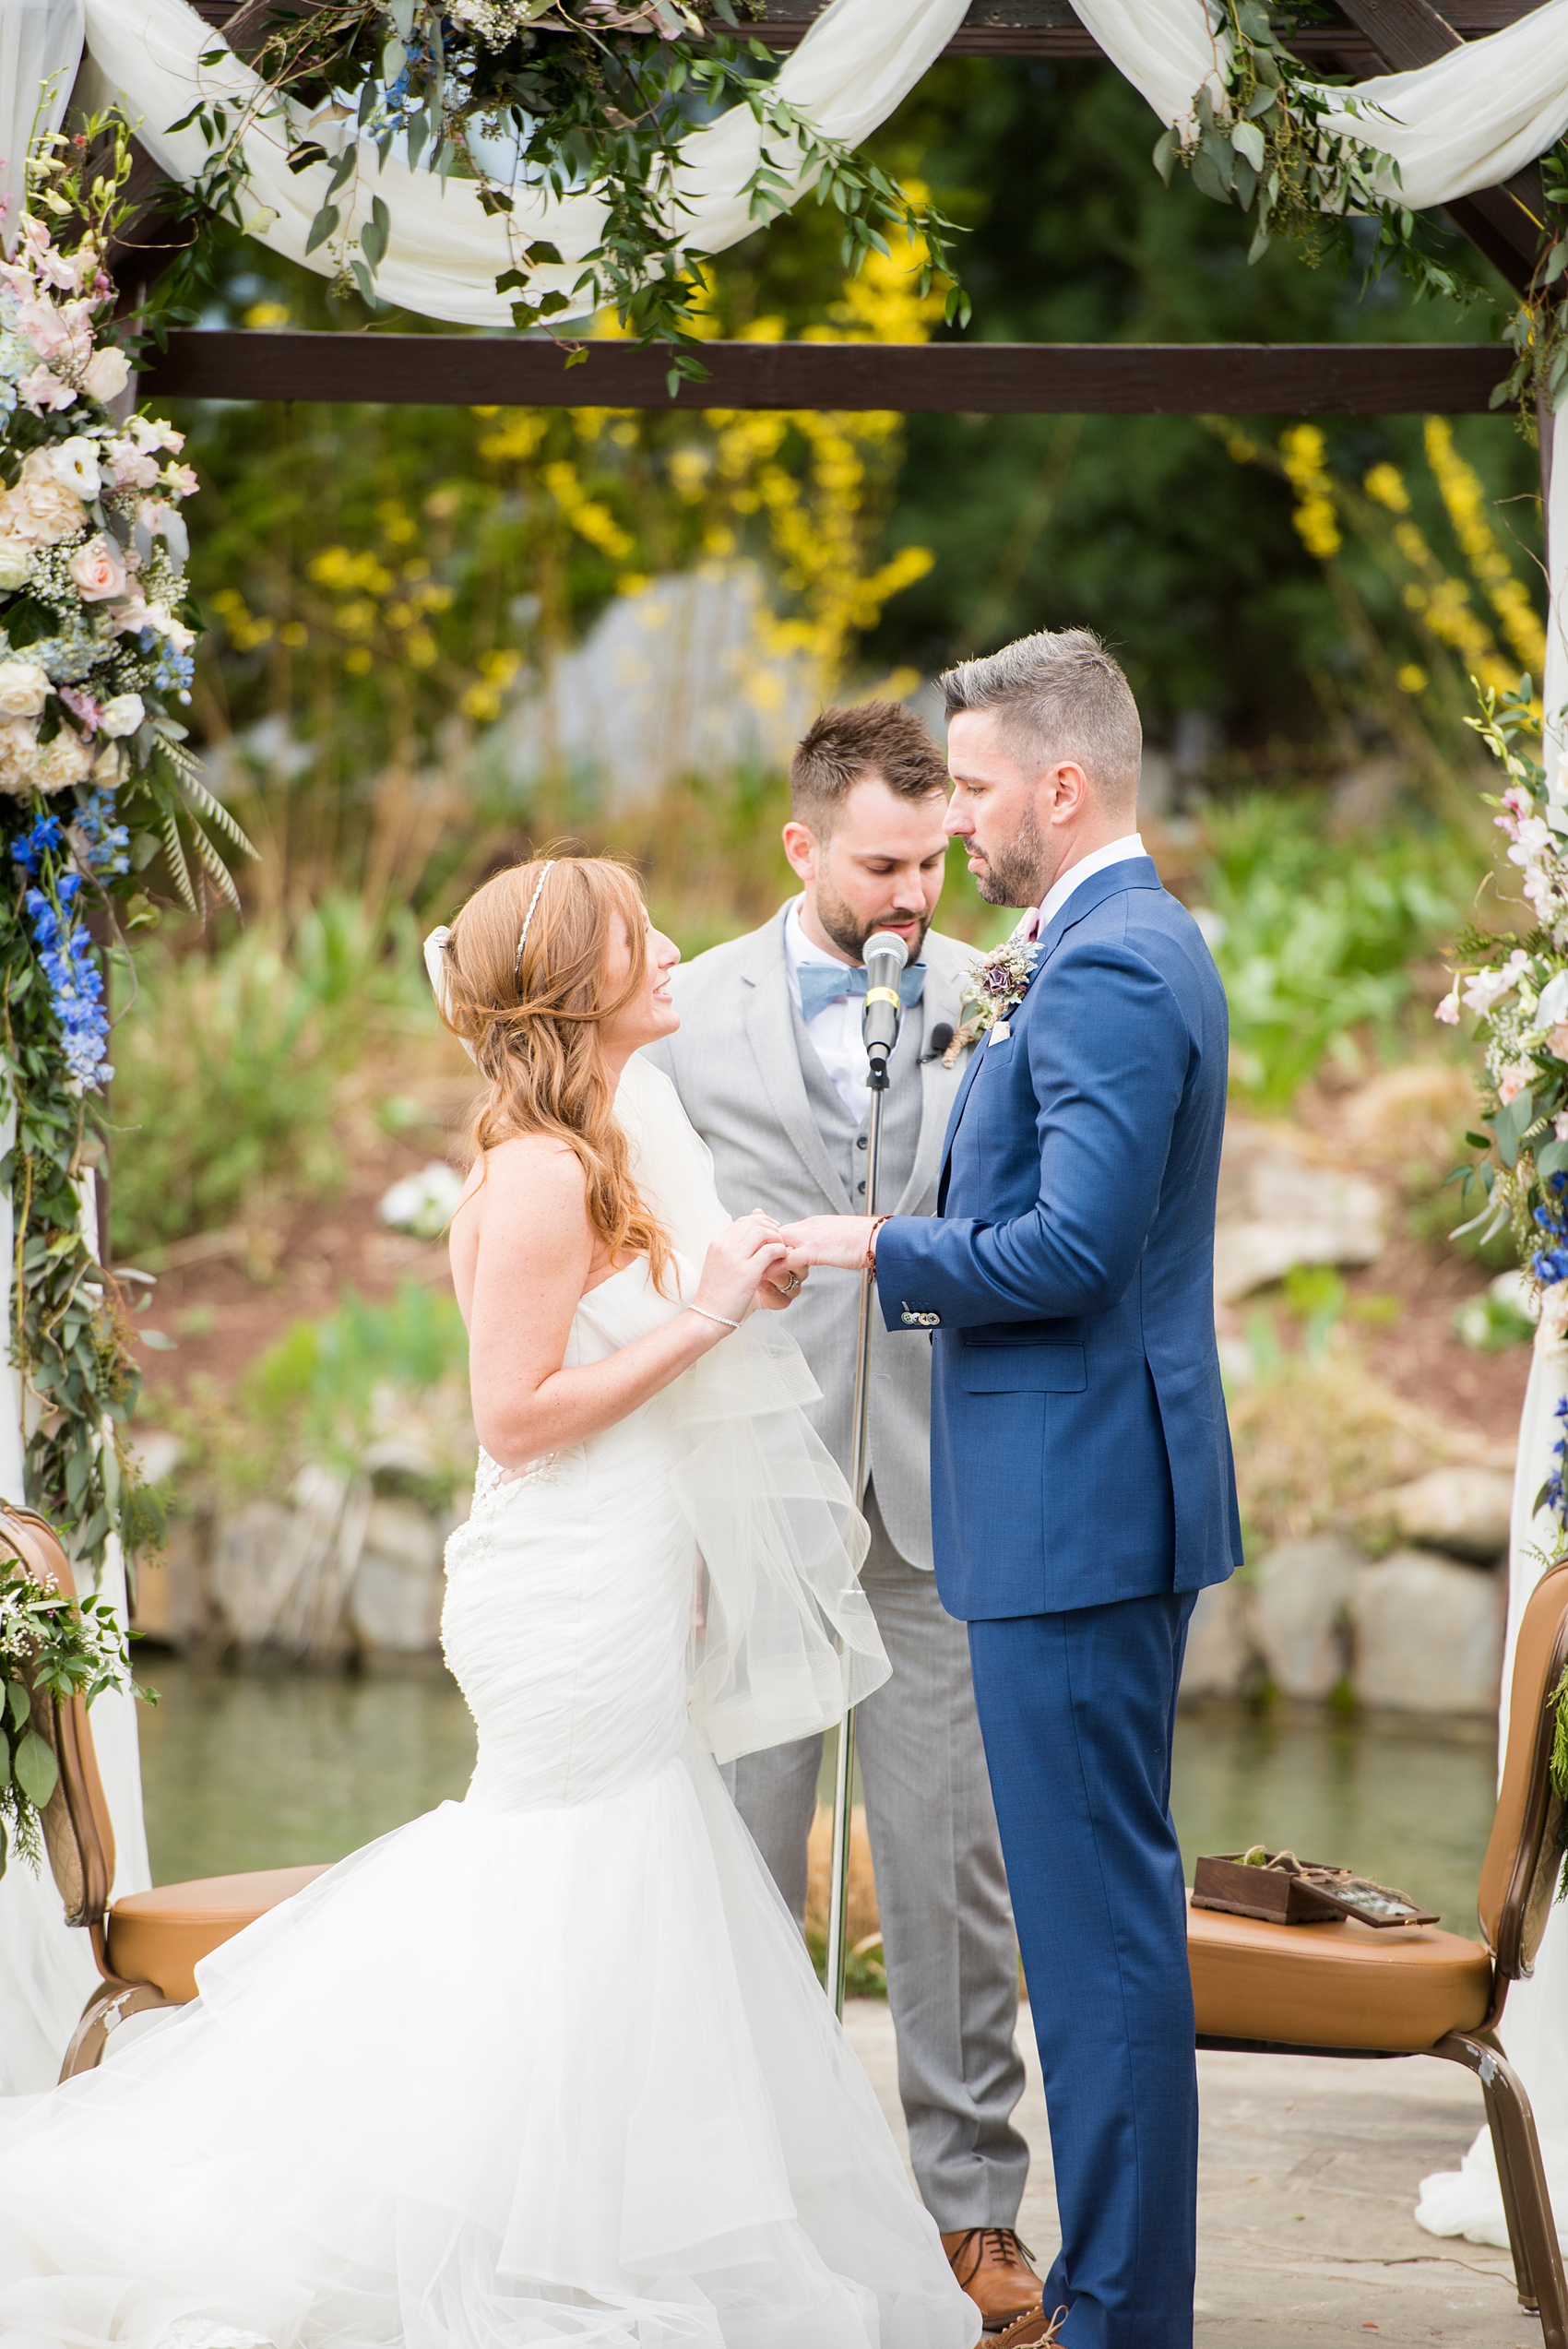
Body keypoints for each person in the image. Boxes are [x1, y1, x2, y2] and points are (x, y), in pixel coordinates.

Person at [0, 854, 980, 2349]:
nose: (670, 954)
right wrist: (709, 1312)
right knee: (571, 1875)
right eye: (637, 938)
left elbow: (628, 1382)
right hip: (566, 1586)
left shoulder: (602, 1149)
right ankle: (503, 2234)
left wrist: (715, 1339)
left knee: (626, 1878)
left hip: (630, 1569)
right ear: (582, 989)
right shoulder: (532, 1174)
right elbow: (517, 1415)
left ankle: (585, 2223)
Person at [781, 633, 1242, 2349]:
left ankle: (1123, 2318)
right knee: (1091, 1925)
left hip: (1081, 1506)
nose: (955, 821)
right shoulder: (1093, 948)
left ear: (1062, 785)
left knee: (1096, 1941)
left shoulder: (1114, 966)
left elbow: (1071, 1244)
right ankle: (1123, 2301)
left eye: (971, 787)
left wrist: (874, 1245)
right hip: (1074, 1500)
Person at [643, 702, 1039, 2334]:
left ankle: (971, 2218)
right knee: (736, 1857)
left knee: (953, 1875)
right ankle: (733, 2215)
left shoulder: (996, 999)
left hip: (938, 1497)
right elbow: (639, 1254)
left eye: (934, 861)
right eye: (881, 863)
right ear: (803, 844)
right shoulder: (681, 1015)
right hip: (752, 1493)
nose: (913, 894)